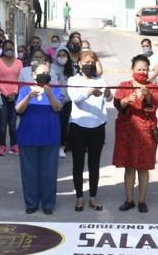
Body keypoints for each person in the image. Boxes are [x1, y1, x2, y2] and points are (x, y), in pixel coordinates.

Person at [113, 54, 158, 213]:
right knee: (129, 167)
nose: (143, 72)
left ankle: (142, 200)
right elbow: (118, 104)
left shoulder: (153, 87)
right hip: (127, 130)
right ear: (132, 69)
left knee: (143, 167)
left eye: (145, 69)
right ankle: (129, 199)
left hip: (146, 130)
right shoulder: (124, 85)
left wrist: (147, 96)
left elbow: (154, 105)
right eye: (139, 69)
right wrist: (126, 100)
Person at [15, 62, 64, 214]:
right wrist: (29, 97)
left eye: (47, 72)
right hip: (28, 137)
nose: (44, 75)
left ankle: (48, 204)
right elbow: (18, 110)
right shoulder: (24, 90)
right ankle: (31, 203)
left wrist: (49, 94)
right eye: (41, 73)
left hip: (50, 136)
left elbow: (58, 108)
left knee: (48, 172)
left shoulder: (55, 90)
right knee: (29, 172)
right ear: (33, 75)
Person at [66, 49, 110, 212]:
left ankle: (93, 196)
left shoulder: (101, 79)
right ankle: (79, 197)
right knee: (78, 163)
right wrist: (90, 91)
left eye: (92, 63)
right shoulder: (72, 79)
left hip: (98, 126)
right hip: (78, 126)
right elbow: (75, 99)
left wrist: (108, 92)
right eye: (86, 63)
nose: (89, 66)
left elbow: (108, 98)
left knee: (94, 163)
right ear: (79, 64)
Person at [0, 39, 23, 156]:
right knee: (3, 123)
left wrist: (14, 92)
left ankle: (14, 145)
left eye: (11, 49)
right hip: (2, 95)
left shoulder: (19, 63)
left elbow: (20, 80)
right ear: (3, 50)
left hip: (15, 95)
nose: (9, 51)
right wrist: (6, 93)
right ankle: (2, 146)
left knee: (13, 122)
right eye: (6, 49)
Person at [51, 47, 74, 158]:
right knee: (55, 123)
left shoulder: (72, 69)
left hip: (68, 100)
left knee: (64, 124)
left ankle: (62, 146)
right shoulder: (52, 67)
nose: (61, 57)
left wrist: (67, 98)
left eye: (64, 55)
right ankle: (53, 144)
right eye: (59, 55)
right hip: (55, 99)